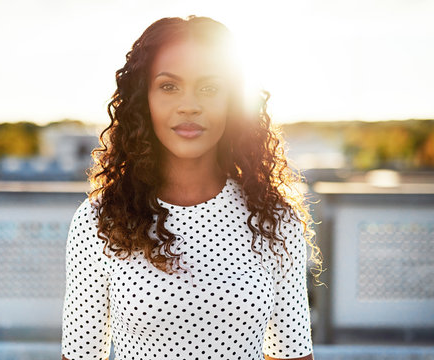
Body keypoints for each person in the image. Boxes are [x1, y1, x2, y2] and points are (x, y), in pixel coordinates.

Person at [61, 15, 322, 360]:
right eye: (169, 86)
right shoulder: (99, 220)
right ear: (144, 99)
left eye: (210, 88)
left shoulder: (274, 219)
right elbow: (81, 356)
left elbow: (292, 354)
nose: (190, 105)